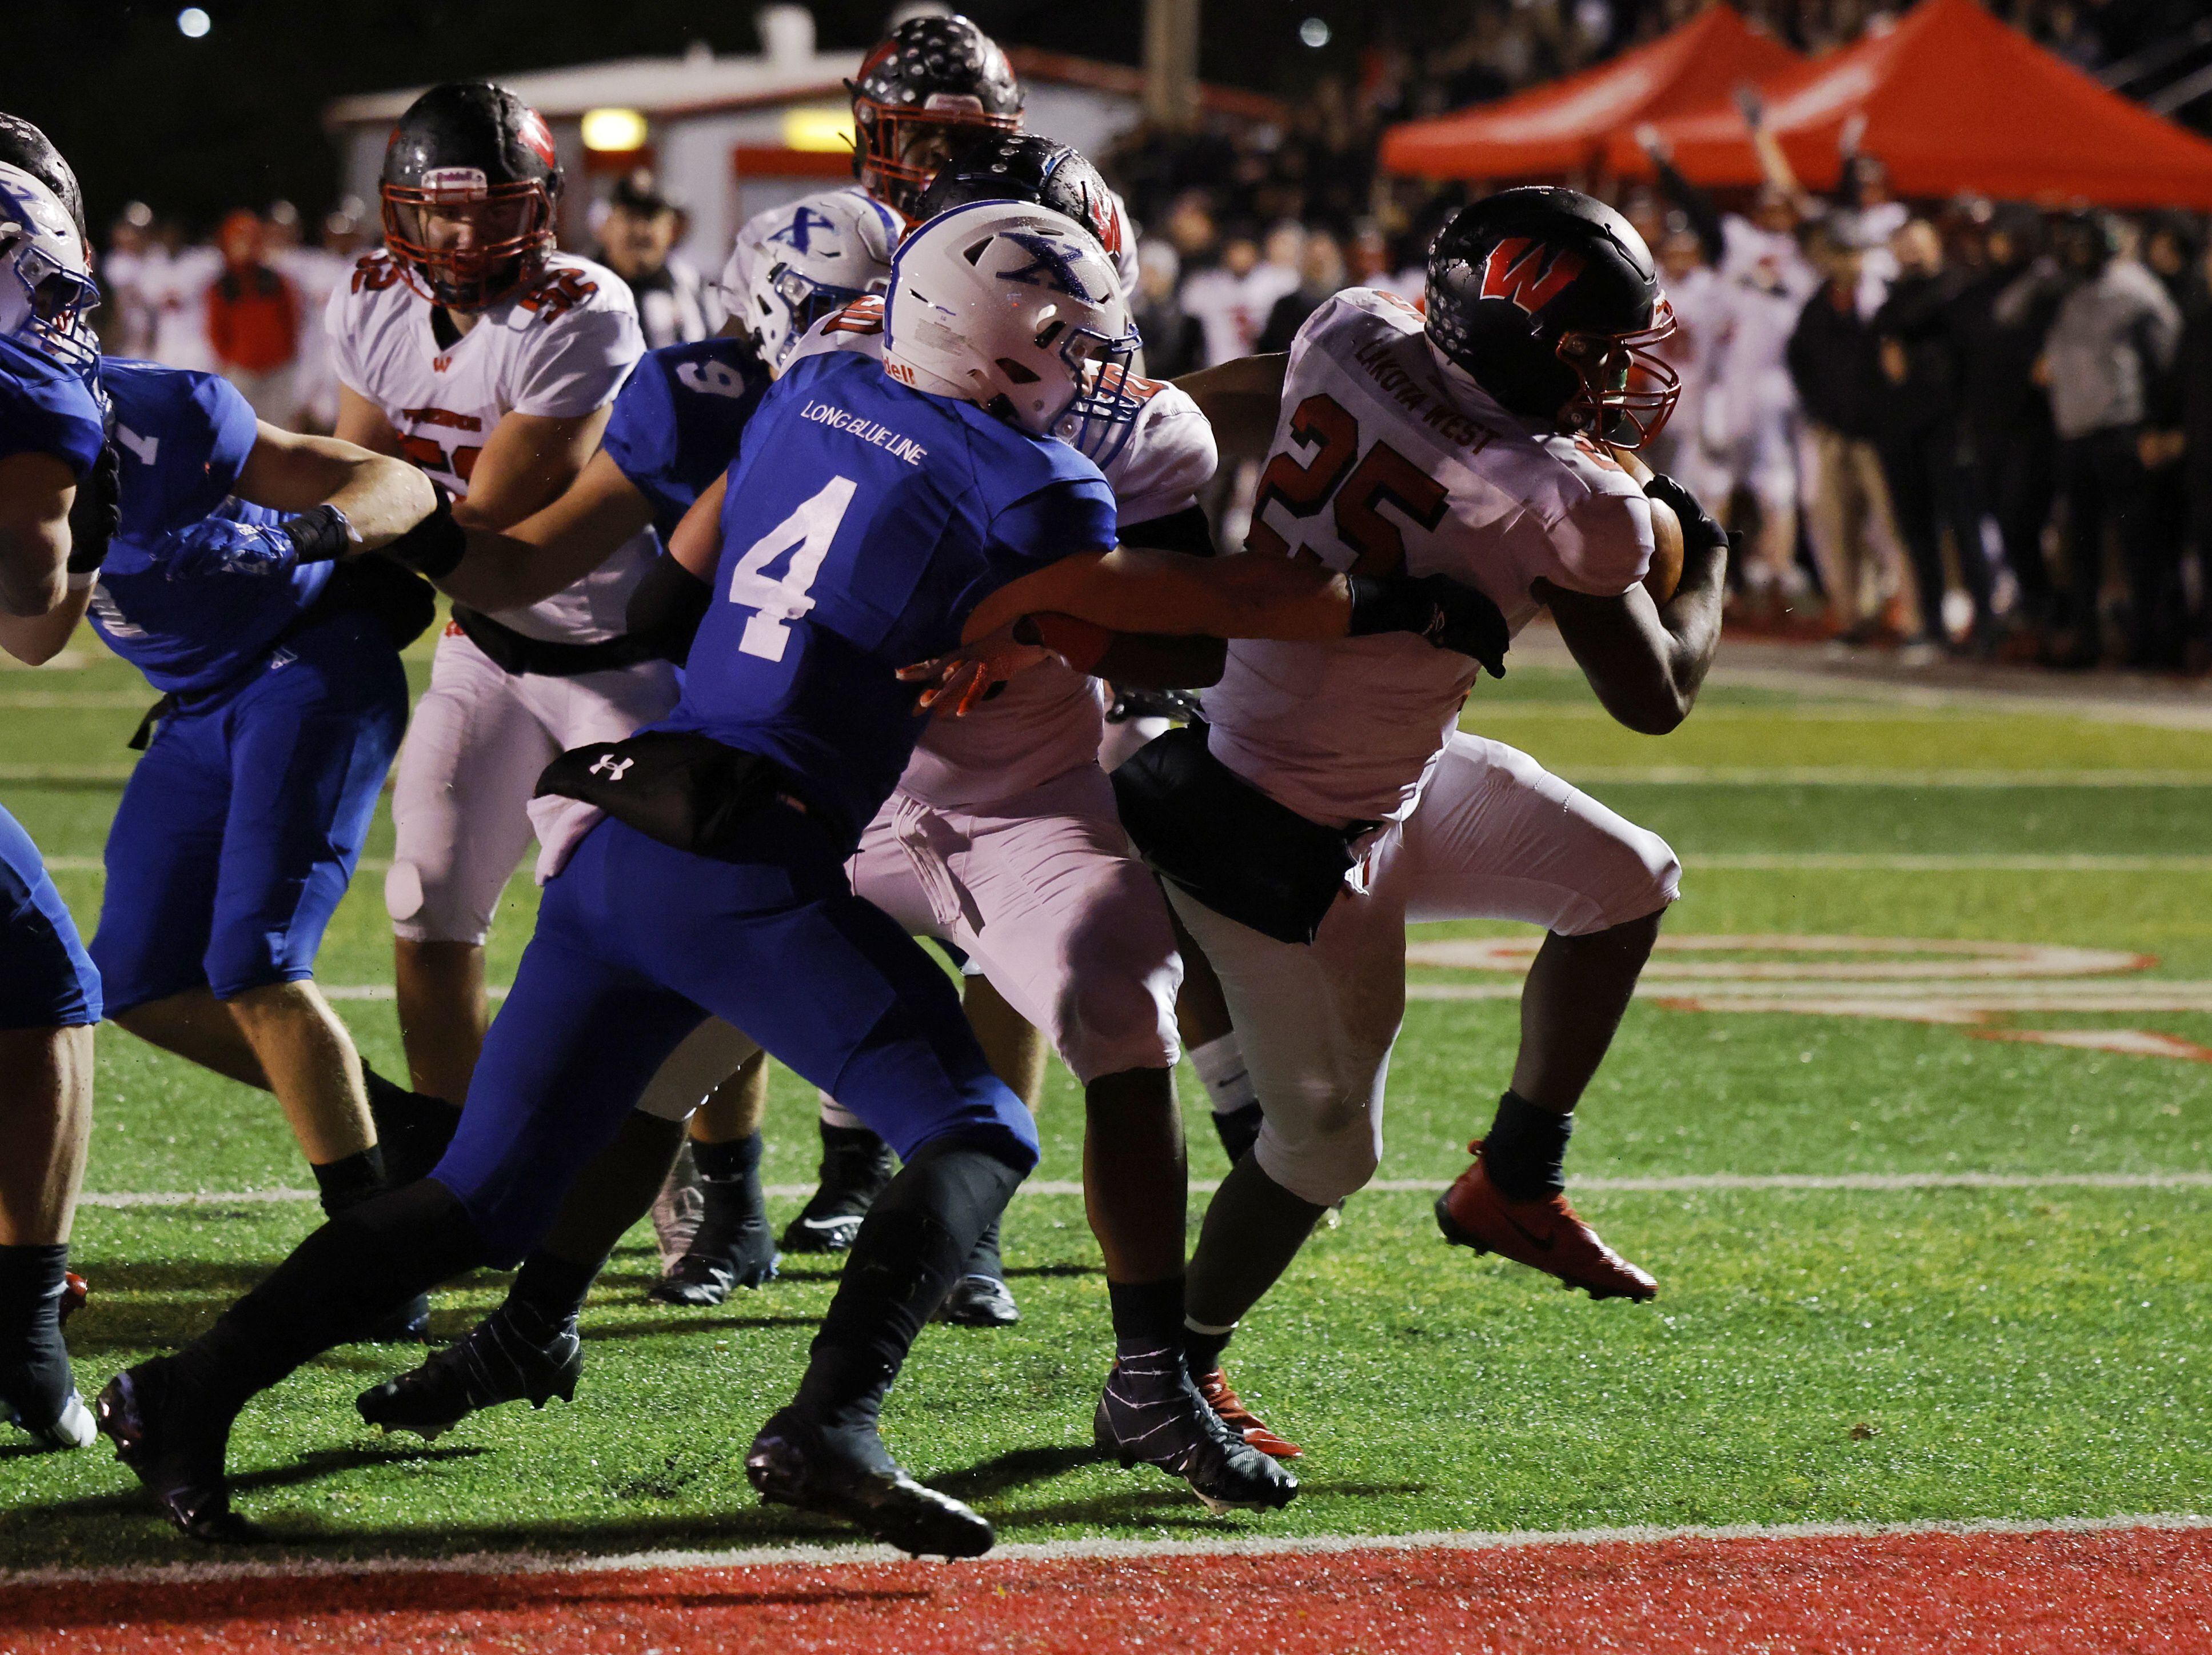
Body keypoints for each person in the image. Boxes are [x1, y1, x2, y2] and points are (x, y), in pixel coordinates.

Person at [97, 200, 1496, 1549]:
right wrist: (1396, 603)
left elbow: (671, 583)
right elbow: (1194, 608)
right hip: (745, 854)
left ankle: (183, 1390)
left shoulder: (805, 386)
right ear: (987, 336)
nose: (1089, 364)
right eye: (1065, 336)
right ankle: (831, 1420)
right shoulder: (1038, 480)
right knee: (975, 1128)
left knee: (481, 1200)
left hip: (625, 827)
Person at [1115, 187, 1722, 1418]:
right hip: (1278, 824)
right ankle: (1166, 1367)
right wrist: (1707, 562)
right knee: (1328, 1147)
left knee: (1626, 879)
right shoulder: (1564, 494)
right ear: (1516, 337)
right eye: (1593, 355)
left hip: (1358, 761)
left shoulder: (1352, 332)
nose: (1615, 378)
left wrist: (1122, 419)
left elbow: (1227, 394)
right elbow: (1655, 694)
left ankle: (1515, 1177)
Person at [333, 83, 666, 1131]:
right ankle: (456, 1169)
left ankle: (715, 1176)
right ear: (405, 207)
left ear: (544, 207)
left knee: (660, 930)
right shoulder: (374, 293)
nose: (469, 230)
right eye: (445, 207)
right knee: (425, 899)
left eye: (496, 207)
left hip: (627, 659)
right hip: (488, 649)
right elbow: (362, 470)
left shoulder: (584, 305)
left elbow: (486, 527)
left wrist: (340, 534)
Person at [0, 146, 111, 1452]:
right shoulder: (25, 236)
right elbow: (31, 605)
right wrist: (90, 527)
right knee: (41, 975)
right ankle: (23, 1330)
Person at [2041, 211, 2182, 668]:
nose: (2078, 254)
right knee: (2080, 546)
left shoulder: (2137, 291)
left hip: (2123, 432)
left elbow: (2167, 363)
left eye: (2085, 246)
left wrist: (2159, 426)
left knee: (2139, 544)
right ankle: (2088, 641)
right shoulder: (2071, 291)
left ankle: (2150, 646)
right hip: (2076, 434)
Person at [1874, 218, 1995, 656]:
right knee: (1918, 532)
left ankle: (1986, 624)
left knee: (1964, 529)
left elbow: (1936, 327)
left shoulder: (1954, 292)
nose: (1911, 253)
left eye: (1918, 243)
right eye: (1903, 244)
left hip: (1947, 428)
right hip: (1904, 432)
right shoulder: (1893, 300)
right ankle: (1934, 623)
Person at [1788, 226, 1904, 642]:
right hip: (1836, 432)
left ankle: (1909, 615)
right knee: (1837, 529)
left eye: (1853, 252)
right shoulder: (1818, 305)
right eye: (1839, 253)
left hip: (1879, 434)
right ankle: (1853, 618)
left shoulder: (1884, 297)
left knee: (1892, 525)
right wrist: (1822, 414)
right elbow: (1799, 361)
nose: (1846, 262)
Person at [592, 170, 714, 350]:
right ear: (606, 226)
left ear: (671, 228)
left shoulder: (696, 291)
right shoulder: (579, 289)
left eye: (651, 218)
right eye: (630, 217)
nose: (641, 231)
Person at [203, 210, 300, 426]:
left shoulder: (275, 282)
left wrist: (284, 358)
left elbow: (291, 323)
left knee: (281, 432)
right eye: (238, 240)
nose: (244, 246)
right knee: (241, 429)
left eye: (250, 240)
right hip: (242, 371)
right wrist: (232, 361)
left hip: (278, 371)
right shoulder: (222, 287)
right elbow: (216, 330)